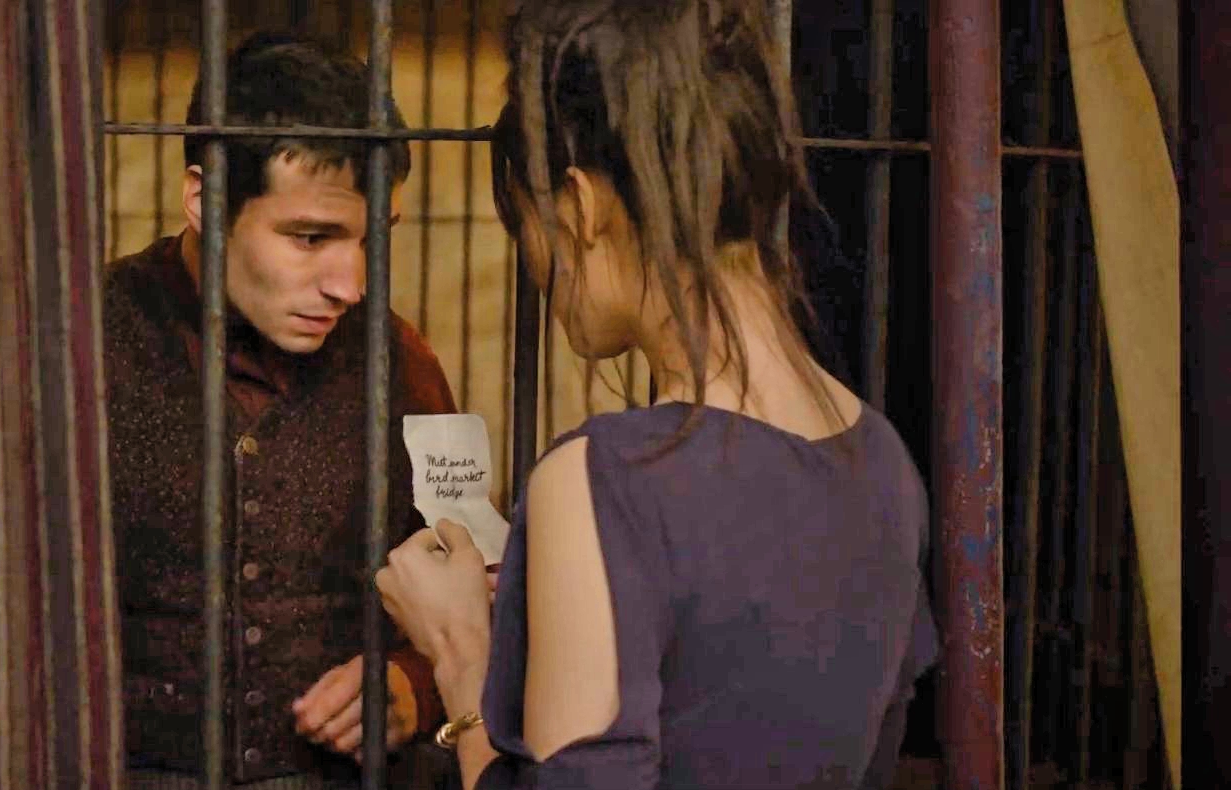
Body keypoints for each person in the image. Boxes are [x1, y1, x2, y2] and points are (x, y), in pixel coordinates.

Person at [373, 1, 940, 788]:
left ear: (581, 205)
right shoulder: (881, 457)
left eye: (526, 224)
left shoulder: (607, 479)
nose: (536, 267)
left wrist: (460, 648)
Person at [103, 32, 460, 790]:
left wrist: (414, 683)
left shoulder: (401, 359)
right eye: (310, 238)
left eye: (372, 240)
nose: (351, 285)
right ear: (205, 201)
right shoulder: (79, 339)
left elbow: (474, 569)